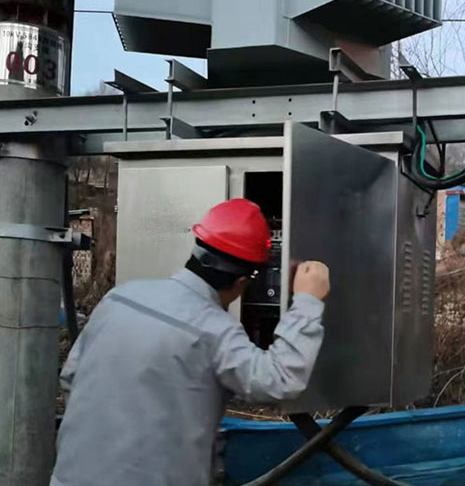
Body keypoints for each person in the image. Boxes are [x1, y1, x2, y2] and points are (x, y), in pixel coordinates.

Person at [50, 198, 330, 486]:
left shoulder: (119, 298)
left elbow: (71, 377)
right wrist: (307, 301)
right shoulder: (215, 331)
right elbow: (279, 381)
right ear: (243, 282)